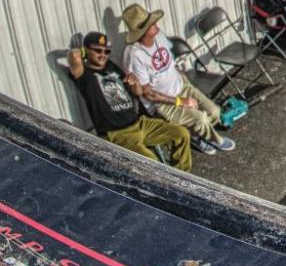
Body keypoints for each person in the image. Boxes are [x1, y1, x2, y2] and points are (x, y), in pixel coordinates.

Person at [120, 4, 235, 154]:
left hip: (182, 86)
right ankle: (211, 139)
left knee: (213, 111)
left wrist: (182, 77)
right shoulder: (135, 55)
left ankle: (197, 133)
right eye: (150, 23)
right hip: (163, 103)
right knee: (200, 119)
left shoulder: (159, 36)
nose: (155, 23)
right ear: (141, 32)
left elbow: (170, 62)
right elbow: (147, 93)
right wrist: (180, 101)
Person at [68, 32, 193, 169]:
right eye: (98, 50)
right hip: (118, 134)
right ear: (86, 50)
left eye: (106, 51)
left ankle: (182, 177)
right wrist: (83, 51)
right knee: (153, 164)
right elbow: (74, 55)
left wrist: (135, 83)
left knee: (181, 134)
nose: (103, 55)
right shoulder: (84, 75)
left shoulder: (111, 67)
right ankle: (166, 186)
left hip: (140, 123)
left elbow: (138, 93)